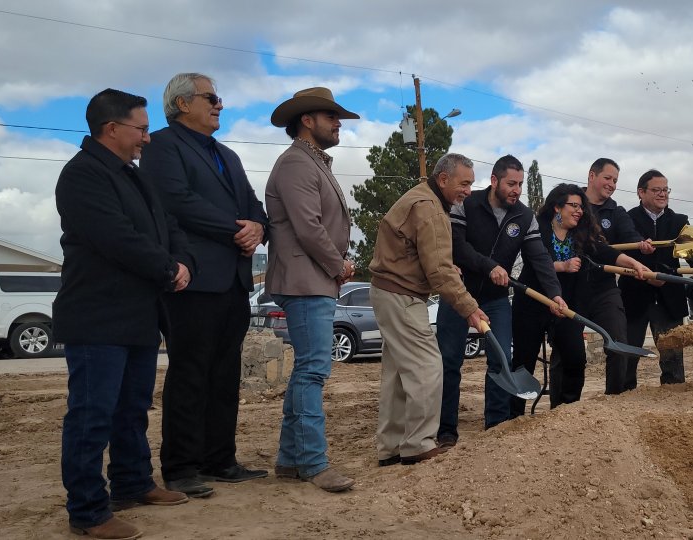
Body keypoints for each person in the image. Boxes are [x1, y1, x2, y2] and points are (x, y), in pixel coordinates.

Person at [56, 88, 194, 539]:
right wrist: (165, 267)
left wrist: (181, 261)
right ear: (111, 129)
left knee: (132, 409)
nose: (147, 139)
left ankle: (133, 484)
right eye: (142, 129)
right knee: (92, 415)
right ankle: (89, 512)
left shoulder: (133, 176)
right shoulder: (82, 177)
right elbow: (115, 237)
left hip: (137, 315)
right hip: (98, 316)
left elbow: (166, 226)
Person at [139, 73, 269, 498]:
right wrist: (237, 230)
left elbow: (253, 205)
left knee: (224, 373)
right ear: (181, 104)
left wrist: (258, 227)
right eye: (211, 97)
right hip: (191, 280)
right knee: (190, 373)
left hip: (233, 280)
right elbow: (177, 201)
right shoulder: (161, 146)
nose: (220, 104)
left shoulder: (227, 154)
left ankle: (220, 459)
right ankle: (180, 467)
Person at [261, 87, 360, 492]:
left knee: (308, 369)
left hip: (312, 280)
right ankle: (314, 463)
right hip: (306, 282)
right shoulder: (296, 164)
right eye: (331, 116)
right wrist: (339, 266)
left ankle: (290, 460)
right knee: (313, 371)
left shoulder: (310, 163)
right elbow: (308, 227)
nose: (338, 123)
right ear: (307, 120)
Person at [437, 155, 566, 446]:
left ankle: (495, 425)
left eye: (520, 184)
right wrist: (489, 266)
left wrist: (554, 294)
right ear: (494, 181)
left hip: (496, 300)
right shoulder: (466, 204)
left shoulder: (524, 216)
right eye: (511, 183)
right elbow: (456, 246)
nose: (517, 189)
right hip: (459, 294)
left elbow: (541, 258)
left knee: (501, 361)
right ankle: (446, 430)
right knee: (449, 361)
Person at [369, 153, 488, 466]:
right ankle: (418, 444)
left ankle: (391, 447)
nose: (468, 191)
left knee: (397, 374)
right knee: (428, 366)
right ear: (443, 179)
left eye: (471, 184)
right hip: (402, 296)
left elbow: (433, 264)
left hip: (390, 292)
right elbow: (439, 269)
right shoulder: (429, 208)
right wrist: (470, 308)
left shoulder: (425, 200)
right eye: (464, 183)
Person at [511, 183, 651, 410]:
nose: (579, 211)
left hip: (566, 306)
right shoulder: (537, 228)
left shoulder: (582, 233)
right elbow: (535, 261)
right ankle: (513, 415)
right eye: (573, 205)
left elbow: (607, 253)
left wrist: (634, 264)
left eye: (581, 206)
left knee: (575, 358)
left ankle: (568, 409)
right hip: (533, 302)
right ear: (557, 207)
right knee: (523, 362)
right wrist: (562, 266)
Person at [583, 158, 654, 394]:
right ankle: (564, 407)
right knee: (568, 349)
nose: (612, 184)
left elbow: (630, 236)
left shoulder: (616, 211)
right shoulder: (572, 203)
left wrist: (640, 245)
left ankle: (615, 398)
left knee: (618, 343)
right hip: (571, 285)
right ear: (592, 176)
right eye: (608, 178)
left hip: (604, 285)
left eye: (615, 180)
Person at [620, 170, 690, 386]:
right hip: (634, 297)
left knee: (673, 357)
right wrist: (647, 277)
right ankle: (622, 397)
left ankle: (673, 397)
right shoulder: (626, 219)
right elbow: (621, 255)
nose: (662, 194)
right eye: (656, 190)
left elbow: (691, 253)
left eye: (665, 190)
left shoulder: (680, 222)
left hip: (669, 297)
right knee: (627, 354)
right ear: (641, 192)